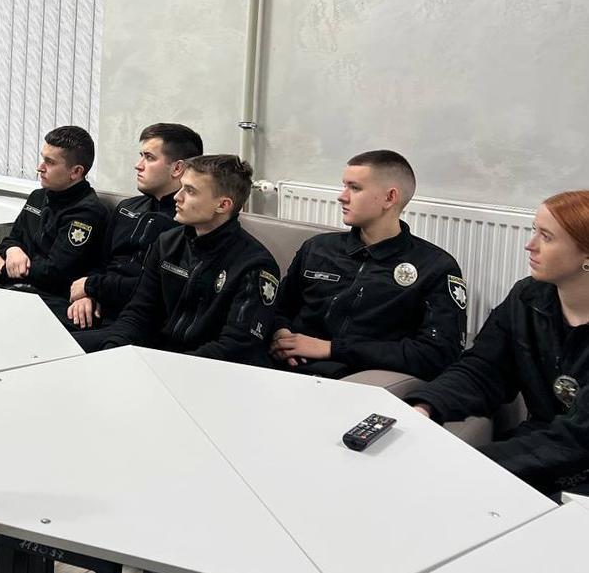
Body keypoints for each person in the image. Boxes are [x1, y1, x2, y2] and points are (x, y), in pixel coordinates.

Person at [407, 191, 589, 496]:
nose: (530, 245)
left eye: (546, 237)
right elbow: (483, 368)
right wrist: (426, 406)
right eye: (534, 230)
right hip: (538, 450)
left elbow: (577, 440)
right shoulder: (527, 298)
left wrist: (469, 464)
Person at [269, 150, 465, 380]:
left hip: (356, 380)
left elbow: (437, 354)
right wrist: (281, 333)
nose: (342, 197)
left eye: (355, 188)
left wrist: (332, 349)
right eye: (344, 186)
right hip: (283, 369)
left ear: (389, 198)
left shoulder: (435, 267)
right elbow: (278, 307)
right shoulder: (318, 248)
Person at [75, 155, 280, 366]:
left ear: (223, 205)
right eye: (181, 187)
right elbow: (138, 315)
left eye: (190, 191)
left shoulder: (255, 265)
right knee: (65, 350)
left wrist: (166, 368)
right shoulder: (167, 243)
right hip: (156, 353)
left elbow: (236, 348)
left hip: (206, 368)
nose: (177, 197)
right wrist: (113, 352)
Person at [64, 123, 203, 330]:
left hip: (138, 321)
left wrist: (92, 287)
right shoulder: (126, 207)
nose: (138, 165)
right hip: (95, 306)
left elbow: (158, 289)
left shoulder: (189, 223)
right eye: (141, 156)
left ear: (177, 168)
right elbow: (98, 261)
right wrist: (86, 295)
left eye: (149, 157)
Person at [0, 126, 107, 301]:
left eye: (50, 162)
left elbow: (55, 273)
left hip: (47, 297)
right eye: (43, 159)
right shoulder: (38, 196)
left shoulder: (87, 212)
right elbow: (11, 239)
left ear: (76, 172)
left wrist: (4, 269)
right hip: (10, 288)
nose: (40, 168)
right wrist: (13, 250)